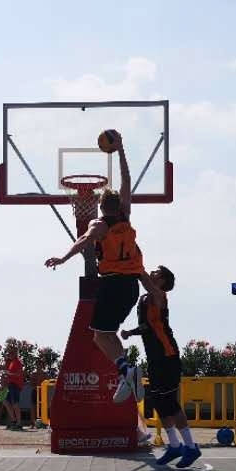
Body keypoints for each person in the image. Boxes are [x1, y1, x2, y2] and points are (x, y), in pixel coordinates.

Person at [44, 129, 154, 405]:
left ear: (100, 205)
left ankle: (127, 371)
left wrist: (63, 257)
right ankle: (126, 373)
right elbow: (127, 180)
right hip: (131, 287)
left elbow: (84, 240)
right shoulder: (125, 216)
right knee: (107, 333)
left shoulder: (99, 224)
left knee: (100, 337)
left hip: (113, 284)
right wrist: (121, 149)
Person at [122, 265, 201, 468]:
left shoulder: (159, 295)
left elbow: (144, 279)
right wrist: (130, 332)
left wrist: (133, 262)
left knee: (170, 402)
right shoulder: (144, 299)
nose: (153, 272)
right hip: (154, 358)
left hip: (168, 356)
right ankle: (174, 446)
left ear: (163, 280)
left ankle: (191, 447)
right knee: (158, 402)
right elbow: (147, 326)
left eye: (157, 272)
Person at [3, 345, 25, 431]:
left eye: (12, 352)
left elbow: (19, 374)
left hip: (15, 385)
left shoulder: (17, 362)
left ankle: (19, 423)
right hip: (11, 385)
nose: (10, 354)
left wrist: (8, 373)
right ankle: (14, 420)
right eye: (9, 352)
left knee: (15, 404)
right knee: (5, 401)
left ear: (15, 353)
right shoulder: (12, 362)